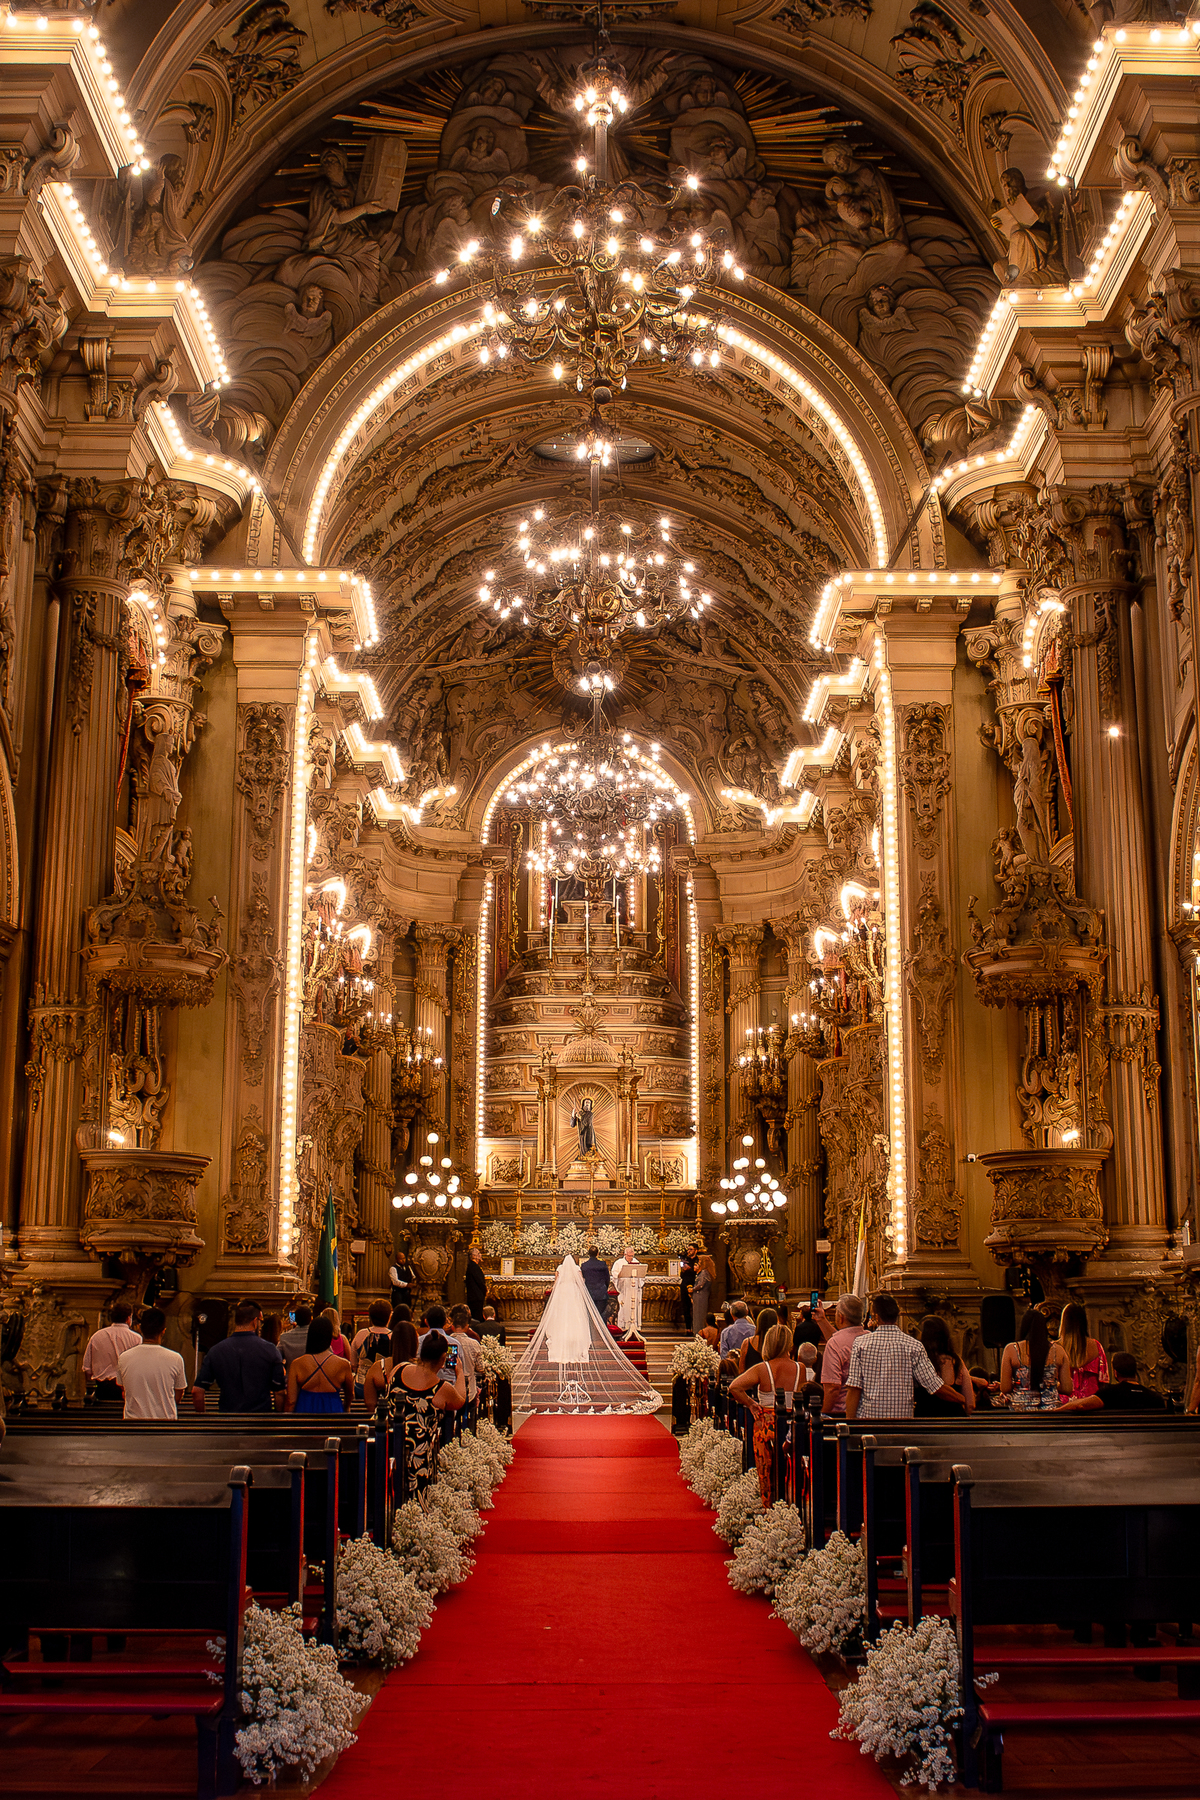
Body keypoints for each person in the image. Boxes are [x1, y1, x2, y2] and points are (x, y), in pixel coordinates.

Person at [844, 1292, 966, 1420]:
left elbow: (854, 1388)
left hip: (870, 1422)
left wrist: (850, 1426)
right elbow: (935, 1386)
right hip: (901, 1424)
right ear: (897, 1316)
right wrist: (962, 1398)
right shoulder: (913, 1346)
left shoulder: (861, 1344)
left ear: (876, 1316)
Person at [729, 1323, 804, 1505]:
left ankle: (768, 1505)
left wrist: (751, 1403)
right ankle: (790, 1505)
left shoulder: (762, 1368)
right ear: (789, 1344)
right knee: (789, 1469)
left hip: (766, 1425)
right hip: (791, 1427)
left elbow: (734, 1387)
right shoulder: (800, 1368)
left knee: (766, 1470)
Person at [385, 1328, 466, 1497]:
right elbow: (460, 1400)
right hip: (418, 1457)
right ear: (443, 1359)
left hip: (388, 1446)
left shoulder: (398, 1369)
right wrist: (460, 1374)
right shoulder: (442, 1388)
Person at [192, 1300, 286, 1413]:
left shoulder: (216, 1350)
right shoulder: (270, 1349)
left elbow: (197, 1391)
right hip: (261, 1420)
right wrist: (277, 1417)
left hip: (227, 1420)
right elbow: (279, 1392)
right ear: (255, 1322)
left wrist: (203, 1418)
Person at [116, 1307, 187, 1421]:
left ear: (140, 1329)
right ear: (163, 1330)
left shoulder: (124, 1357)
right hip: (165, 1423)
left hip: (133, 1424)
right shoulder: (175, 1358)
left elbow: (123, 1387)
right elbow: (179, 1392)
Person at [999, 1308, 1072, 1410]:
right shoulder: (1058, 1350)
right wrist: (1051, 1385)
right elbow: (1067, 1388)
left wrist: (1020, 1383)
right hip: (1051, 1412)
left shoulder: (1011, 1349)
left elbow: (1005, 1388)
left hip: (1020, 1413)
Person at [1061, 1349, 1166, 1413]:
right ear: (1135, 1371)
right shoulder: (1156, 1398)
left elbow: (1081, 1405)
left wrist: (1056, 1411)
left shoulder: (1110, 1393)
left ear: (1115, 1372)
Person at [287, 1315, 353, 1413]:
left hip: (304, 1412)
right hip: (334, 1411)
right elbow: (350, 1394)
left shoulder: (297, 1364)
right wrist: (346, 1408)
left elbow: (291, 1401)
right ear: (329, 1336)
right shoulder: (343, 1364)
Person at [82, 1301, 141, 1406]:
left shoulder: (97, 1336)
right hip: (127, 1388)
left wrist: (90, 1388)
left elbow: (87, 1368)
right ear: (129, 1318)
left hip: (101, 1388)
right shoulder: (136, 1338)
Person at [914, 1315, 975, 1415]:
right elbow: (970, 1403)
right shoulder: (956, 1361)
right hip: (955, 1420)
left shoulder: (920, 1361)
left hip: (926, 1421)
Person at [819, 1294, 866, 1418]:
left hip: (841, 1413)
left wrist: (823, 1414)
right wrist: (822, 1320)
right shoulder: (870, 1338)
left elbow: (832, 1388)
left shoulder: (834, 1344)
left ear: (840, 1317)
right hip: (868, 1411)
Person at [1059, 1302, 1108, 1400]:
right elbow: (1104, 1381)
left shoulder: (1054, 1348)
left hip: (1063, 1406)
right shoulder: (1096, 1346)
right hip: (1090, 1404)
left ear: (1063, 1322)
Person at [350, 1299, 394, 1401]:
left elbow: (353, 1364)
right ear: (389, 1317)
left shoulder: (361, 1334)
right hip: (385, 1387)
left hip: (362, 1388)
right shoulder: (393, 1337)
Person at [448, 1303, 483, 1406]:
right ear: (467, 1326)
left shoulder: (449, 1342)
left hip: (452, 1386)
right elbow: (480, 1367)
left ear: (453, 1326)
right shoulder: (473, 1342)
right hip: (469, 1389)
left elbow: (450, 1365)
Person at [612, 1243, 648, 1339]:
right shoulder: (619, 1263)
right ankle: (623, 1328)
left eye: (632, 1256)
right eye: (629, 1256)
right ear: (625, 1255)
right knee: (624, 1308)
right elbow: (615, 1276)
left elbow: (642, 1276)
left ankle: (634, 1327)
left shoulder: (636, 1263)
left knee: (634, 1307)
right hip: (624, 1290)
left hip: (634, 1289)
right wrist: (620, 1277)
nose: (631, 1258)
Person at [739, 1307, 778, 1375]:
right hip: (772, 1382)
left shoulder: (747, 1342)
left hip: (751, 1382)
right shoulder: (778, 1343)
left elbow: (741, 1370)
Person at [278, 1304, 313, 1369]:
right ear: (311, 1319)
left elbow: (276, 1357)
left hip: (292, 1375)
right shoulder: (317, 1336)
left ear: (295, 1319)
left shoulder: (285, 1337)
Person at [581, 1244, 611, 1318]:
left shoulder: (584, 1265)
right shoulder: (602, 1264)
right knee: (601, 1316)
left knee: (589, 1315)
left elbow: (582, 1279)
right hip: (601, 1293)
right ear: (598, 1254)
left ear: (588, 1254)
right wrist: (604, 1288)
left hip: (589, 1293)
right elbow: (607, 1278)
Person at [692, 1255, 714, 1333]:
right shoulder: (703, 1272)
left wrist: (693, 1289)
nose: (699, 1262)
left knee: (699, 1315)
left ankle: (699, 1331)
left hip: (701, 1296)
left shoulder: (704, 1272)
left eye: (700, 1261)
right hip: (700, 1296)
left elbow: (701, 1284)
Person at [466, 1244, 488, 1322]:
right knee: (477, 1317)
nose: (480, 1255)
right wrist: (485, 1290)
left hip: (474, 1296)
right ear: (474, 1256)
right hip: (476, 1297)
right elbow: (479, 1281)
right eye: (479, 1254)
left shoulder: (472, 1266)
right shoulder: (474, 1267)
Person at [679, 1247, 697, 1329]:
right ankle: (688, 1328)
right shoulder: (686, 1259)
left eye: (691, 1249)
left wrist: (690, 1269)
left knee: (694, 1307)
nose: (689, 1251)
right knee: (685, 1306)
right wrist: (683, 1270)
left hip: (694, 1284)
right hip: (685, 1283)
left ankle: (695, 1327)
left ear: (696, 1250)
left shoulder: (698, 1260)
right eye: (688, 1249)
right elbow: (682, 1275)